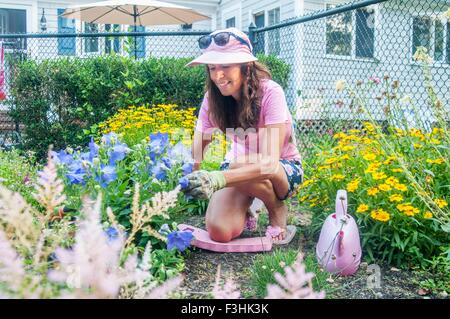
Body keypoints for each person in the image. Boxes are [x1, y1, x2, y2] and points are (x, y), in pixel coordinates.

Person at [182, 27, 303, 245]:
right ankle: (248, 207)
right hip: (238, 169)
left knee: (238, 164)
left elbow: (268, 163)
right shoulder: (212, 100)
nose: (218, 75)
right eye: (212, 68)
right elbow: (200, 145)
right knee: (219, 231)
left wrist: (218, 178)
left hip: (282, 171)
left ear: (246, 66)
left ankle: (275, 207)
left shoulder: (271, 93)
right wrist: (191, 177)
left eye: (226, 66)